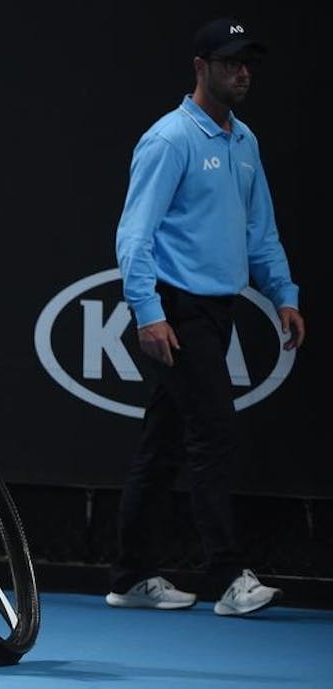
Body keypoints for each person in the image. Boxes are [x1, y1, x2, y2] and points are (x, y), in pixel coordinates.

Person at [108, 17, 305, 617]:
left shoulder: (244, 142)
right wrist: (148, 312)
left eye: (247, 63)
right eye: (229, 63)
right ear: (201, 67)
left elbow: (260, 231)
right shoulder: (170, 140)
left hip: (218, 312)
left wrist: (284, 294)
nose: (241, 73)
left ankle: (131, 575)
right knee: (213, 434)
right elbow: (133, 235)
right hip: (176, 310)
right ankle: (226, 577)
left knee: (163, 443)